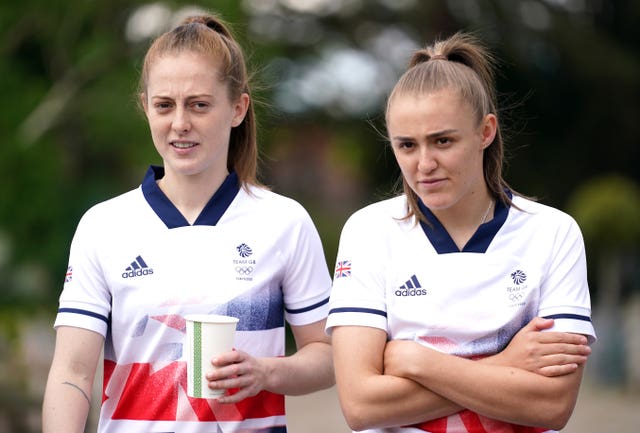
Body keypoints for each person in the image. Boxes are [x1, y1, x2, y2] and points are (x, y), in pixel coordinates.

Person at [42, 13, 334, 433]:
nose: (180, 123)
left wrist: (266, 373)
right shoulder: (102, 226)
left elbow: (327, 357)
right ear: (145, 107)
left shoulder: (285, 222)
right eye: (165, 105)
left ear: (237, 108)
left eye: (199, 104)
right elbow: (71, 373)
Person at [326, 32, 596, 433]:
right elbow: (361, 405)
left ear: (486, 131)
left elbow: (551, 404)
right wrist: (506, 364)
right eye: (407, 146)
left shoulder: (554, 233)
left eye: (443, 141)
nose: (424, 163)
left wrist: (417, 362)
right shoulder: (367, 231)